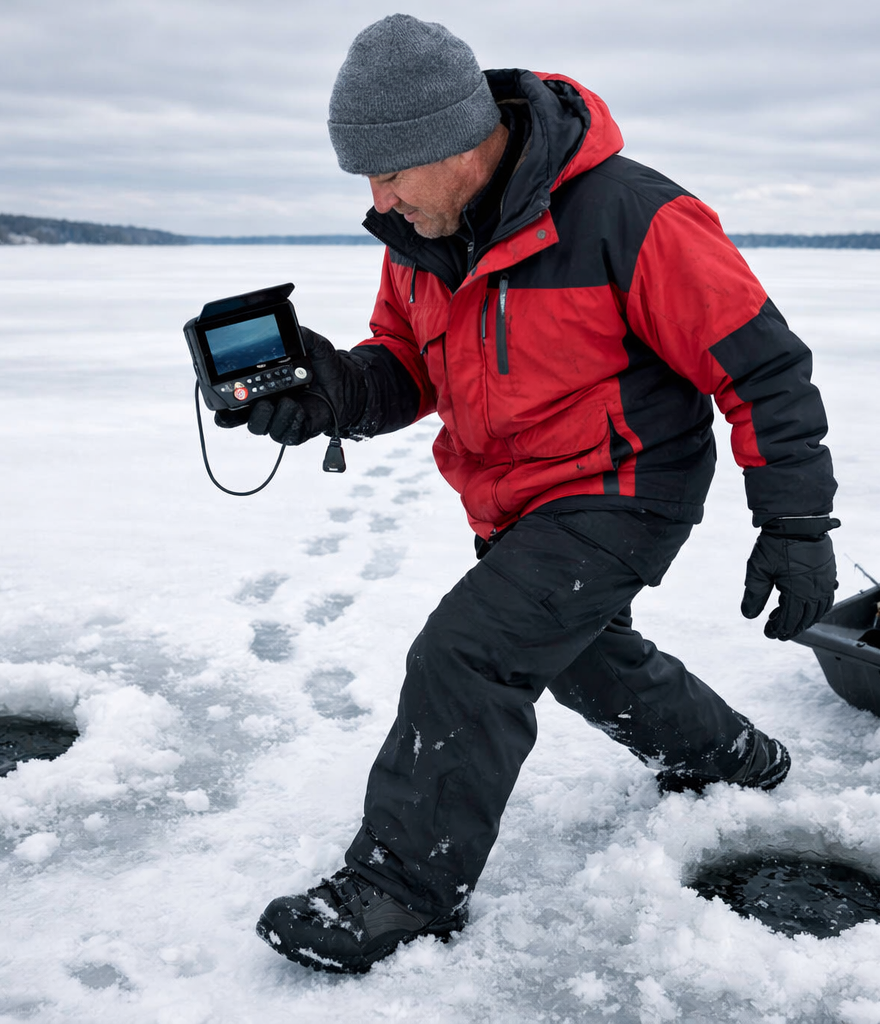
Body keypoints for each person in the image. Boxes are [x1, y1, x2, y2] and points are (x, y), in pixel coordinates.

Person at [232, 14, 839, 974]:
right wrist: (329, 392)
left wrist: (797, 523)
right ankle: (728, 757)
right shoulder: (421, 236)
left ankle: (402, 887)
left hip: (628, 487)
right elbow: (407, 364)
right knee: (575, 650)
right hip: (514, 497)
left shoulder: (632, 215)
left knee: (468, 655)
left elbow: (763, 369)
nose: (379, 200)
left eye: (390, 174)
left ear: (460, 142)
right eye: (368, 181)